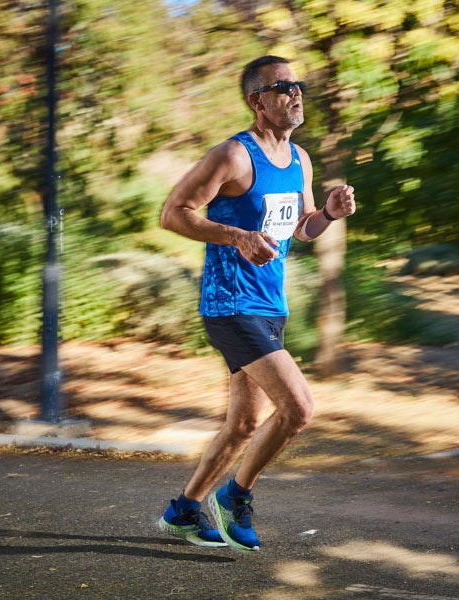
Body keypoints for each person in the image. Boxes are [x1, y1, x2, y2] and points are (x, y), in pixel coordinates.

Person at [156, 55, 356, 552]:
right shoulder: (233, 156)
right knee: (299, 408)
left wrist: (327, 215)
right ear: (257, 101)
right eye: (282, 87)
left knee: (244, 423)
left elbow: (301, 228)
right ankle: (235, 496)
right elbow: (173, 214)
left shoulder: (301, 160)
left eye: (298, 85)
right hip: (229, 304)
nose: (295, 93)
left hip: (271, 306)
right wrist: (236, 236)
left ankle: (183, 511)